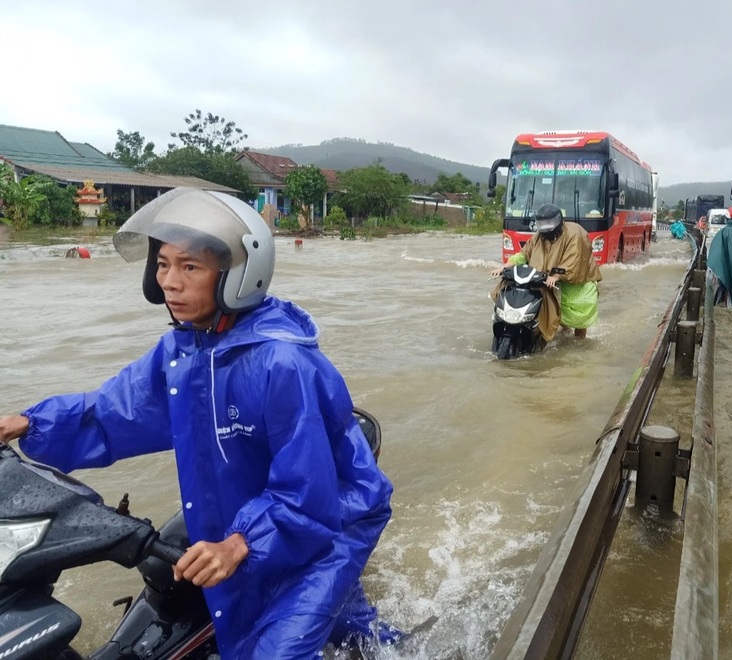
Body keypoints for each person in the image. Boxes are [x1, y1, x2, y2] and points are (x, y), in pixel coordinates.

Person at [0, 188, 397, 658]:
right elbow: (113, 412)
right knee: (348, 628)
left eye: (190, 267)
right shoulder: (182, 350)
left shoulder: (283, 364)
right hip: (262, 512)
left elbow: (307, 495)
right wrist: (26, 422)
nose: (170, 282)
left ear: (238, 275)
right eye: (163, 265)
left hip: (334, 519)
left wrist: (240, 543)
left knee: (272, 646)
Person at [489, 203, 602, 339]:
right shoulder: (538, 237)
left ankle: (579, 341)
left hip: (577, 284)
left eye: (549, 223)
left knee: (579, 319)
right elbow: (524, 254)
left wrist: (558, 275)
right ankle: (564, 333)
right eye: (542, 224)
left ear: (559, 220)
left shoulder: (575, 233)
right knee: (555, 311)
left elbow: (575, 258)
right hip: (551, 280)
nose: (546, 227)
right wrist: (506, 266)